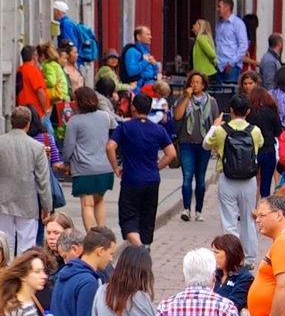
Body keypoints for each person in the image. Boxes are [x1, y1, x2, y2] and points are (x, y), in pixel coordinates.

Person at [0, 106, 54, 254]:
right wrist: (47, 205)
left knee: (3, 244)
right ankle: (23, 274)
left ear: (11, 122)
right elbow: (43, 180)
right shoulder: (37, 147)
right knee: (26, 245)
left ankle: (5, 274)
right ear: (28, 123)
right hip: (28, 201)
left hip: (3, 199)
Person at [207, 95, 266, 258]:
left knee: (229, 221)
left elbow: (206, 143)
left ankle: (232, 256)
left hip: (227, 178)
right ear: (248, 111)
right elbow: (260, 144)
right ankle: (250, 257)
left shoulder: (221, 131)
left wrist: (215, 126)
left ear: (230, 111)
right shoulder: (255, 130)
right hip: (249, 179)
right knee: (249, 220)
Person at [110, 97, 175, 245]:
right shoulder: (158, 129)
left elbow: (110, 146)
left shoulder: (125, 127)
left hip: (131, 178)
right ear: (150, 109)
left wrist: (116, 167)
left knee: (128, 217)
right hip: (152, 179)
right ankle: (145, 246)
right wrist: (156, 167)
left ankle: (139, 247)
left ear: (133, 108)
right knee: (147, 217)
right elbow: (171, 153)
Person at [62, 86, 117, 231]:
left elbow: (68, 147)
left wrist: (66, 162)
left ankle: (92, 236)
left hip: (84, 168)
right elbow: (116, 130)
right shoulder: (105, 116)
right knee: (99, 201)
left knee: (87, 204)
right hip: (105, 167)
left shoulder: (74, 122)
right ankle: (102, 231)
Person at [173, 72, 219, 223]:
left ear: (203, 85)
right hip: (187, 143)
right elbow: (178, 116)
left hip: (204, 144)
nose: (195, 85)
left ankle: (199, 210)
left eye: (198, 82)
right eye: (193, 82)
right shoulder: (183, 99)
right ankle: (186, 209)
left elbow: (215, 123)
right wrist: (186, 97)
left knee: (200, 178)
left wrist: (215, 144)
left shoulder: (211, 101)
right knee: (187, 176)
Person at [213, 0, 250, 84]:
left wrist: (231, 63)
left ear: (227, 7)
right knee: (219, 93)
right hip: (219, 65)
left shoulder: (237, 23)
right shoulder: (219, 25)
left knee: (229, 92)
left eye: (219, 7)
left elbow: (243, 45)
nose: (217, 9)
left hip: (232, 66)